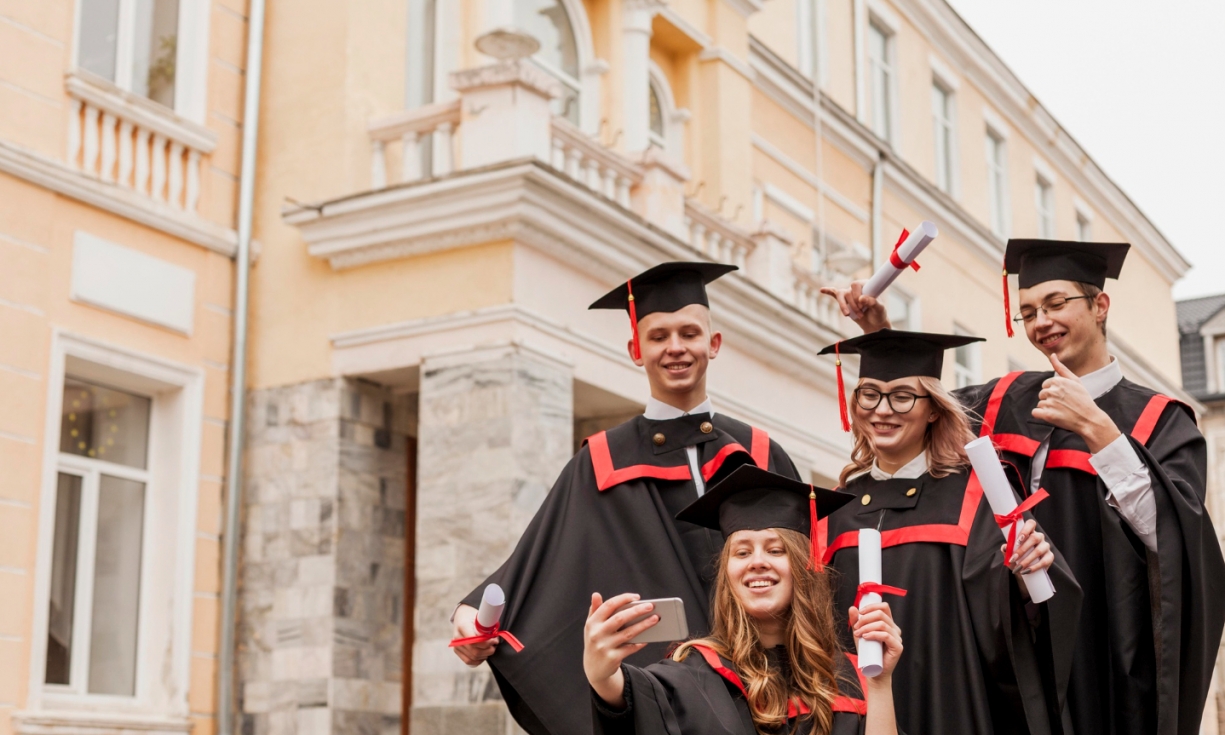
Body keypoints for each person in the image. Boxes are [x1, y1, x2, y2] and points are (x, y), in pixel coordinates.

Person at [822, 240, 1225, 735]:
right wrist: (879, 334)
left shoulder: (1159, 421)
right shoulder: (1001, 401)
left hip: (1103, 645)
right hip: (1009, 640)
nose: (1041, 323)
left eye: (1057, 304)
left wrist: (1099, 430)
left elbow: (1177, 541)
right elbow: (912, 405)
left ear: (1100, 305)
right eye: (1029, 311)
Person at [451, 262, 803, 735]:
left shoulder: (758, 453)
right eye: (658, 336)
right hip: (662, 700)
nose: (675, 348)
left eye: (689, 333)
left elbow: (810, 571)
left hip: (767, 692)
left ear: (713, 345)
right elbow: (537, 564)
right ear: (636, 350)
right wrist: (470, 613)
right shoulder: (600, 461)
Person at [815, 329, 1081, 735]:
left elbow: (1021, 618)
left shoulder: (978, 494)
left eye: (902, 396)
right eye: (869, 393)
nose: (882, 410)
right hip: (855, 713)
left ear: (934, 409)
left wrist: (1026, 578)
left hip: (952, 704)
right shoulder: (834, 507)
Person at [584, 464, 901, 735]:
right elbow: (635, 701)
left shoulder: (850, 676)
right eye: (742, 552)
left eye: (776, 550)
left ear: (805, 568)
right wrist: (602, 676)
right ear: (727, 574)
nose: (757, 561)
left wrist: (879, 683)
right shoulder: (697, 675)